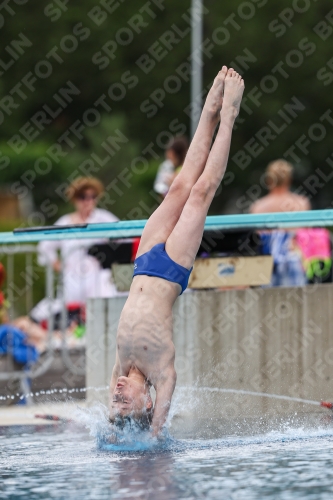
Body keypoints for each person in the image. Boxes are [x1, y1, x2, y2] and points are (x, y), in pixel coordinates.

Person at [109, 67, 245, 436]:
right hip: (170, 269)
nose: (118, 392)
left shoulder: (122, 367)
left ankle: (209, 108)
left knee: (179, 185)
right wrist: (153, 433)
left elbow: (112, 411)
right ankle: (229, 117)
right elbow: (160, 420)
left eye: (115, 397)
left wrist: (113, 422)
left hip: (143, 261)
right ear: (147, 401)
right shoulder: (161, 372)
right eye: (124, 399)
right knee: (201, 192)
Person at [36, 177, 120, 312]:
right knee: (72, 318)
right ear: (75, 199)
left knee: (98, 313)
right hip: (72, 280)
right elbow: (44, 247)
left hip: (97, 279)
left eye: (93, 196)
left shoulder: (103, 218)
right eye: (83, 197)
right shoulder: (65, 222)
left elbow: (123, 239)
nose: (88, 201)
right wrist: (59, 265)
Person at [250, 160, 311, 286]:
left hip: (266, 262)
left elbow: (256, 240)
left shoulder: (259, 207)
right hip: (295, 258)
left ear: (269, 179)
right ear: (289, 179)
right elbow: (306, 236)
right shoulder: (301, 203)